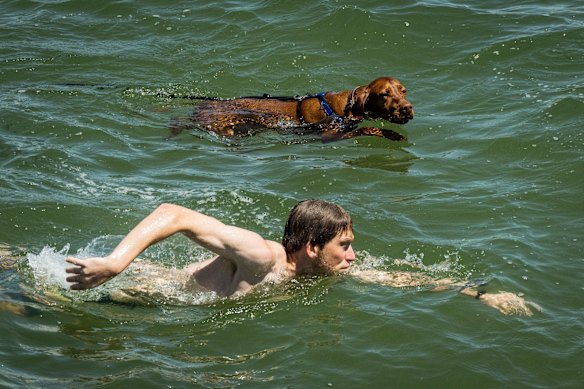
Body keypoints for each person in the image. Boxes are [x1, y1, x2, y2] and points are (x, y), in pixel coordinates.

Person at [65, 200, 539, 315]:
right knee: (44, 292)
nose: (354, 255)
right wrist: (114, 263)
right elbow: (173, 214)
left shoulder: (327, 272)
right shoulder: (260, 257)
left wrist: (481, 294)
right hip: (146, 288)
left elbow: (404, 281)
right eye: (345, 245)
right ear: (313, 247)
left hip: (166, 298)